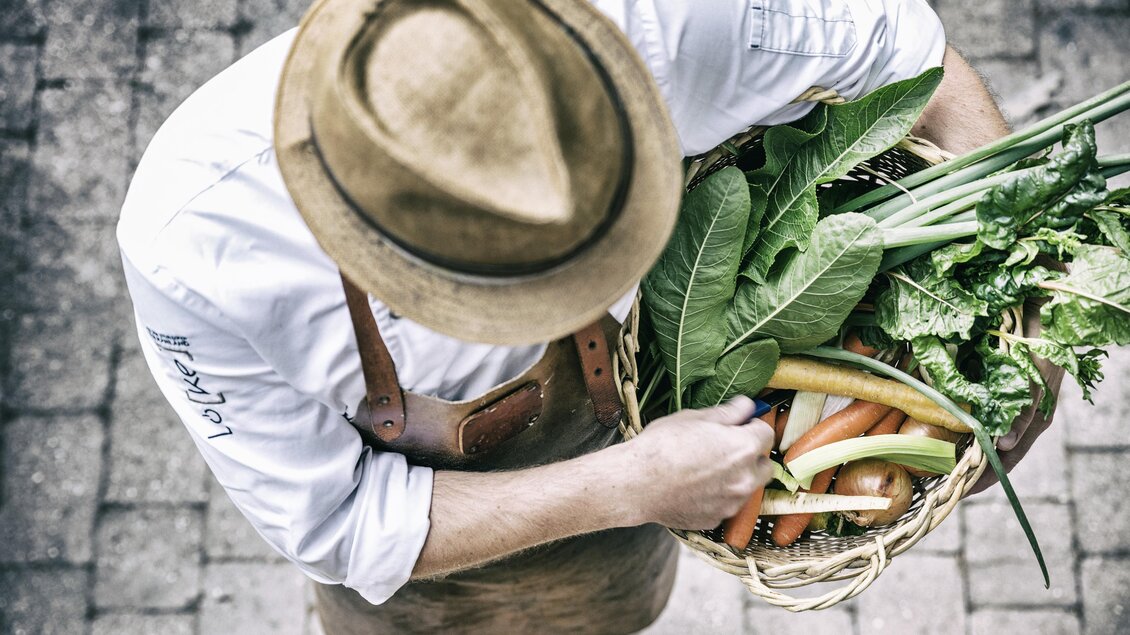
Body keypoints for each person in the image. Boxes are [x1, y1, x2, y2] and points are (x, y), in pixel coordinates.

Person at [117, 0, 1060, 631]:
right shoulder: (195, 246)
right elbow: (340, 522)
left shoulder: (664, 16)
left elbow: (905, 56)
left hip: (622, 542)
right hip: (444, 581)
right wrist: (632, 485)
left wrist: (1036, 321)